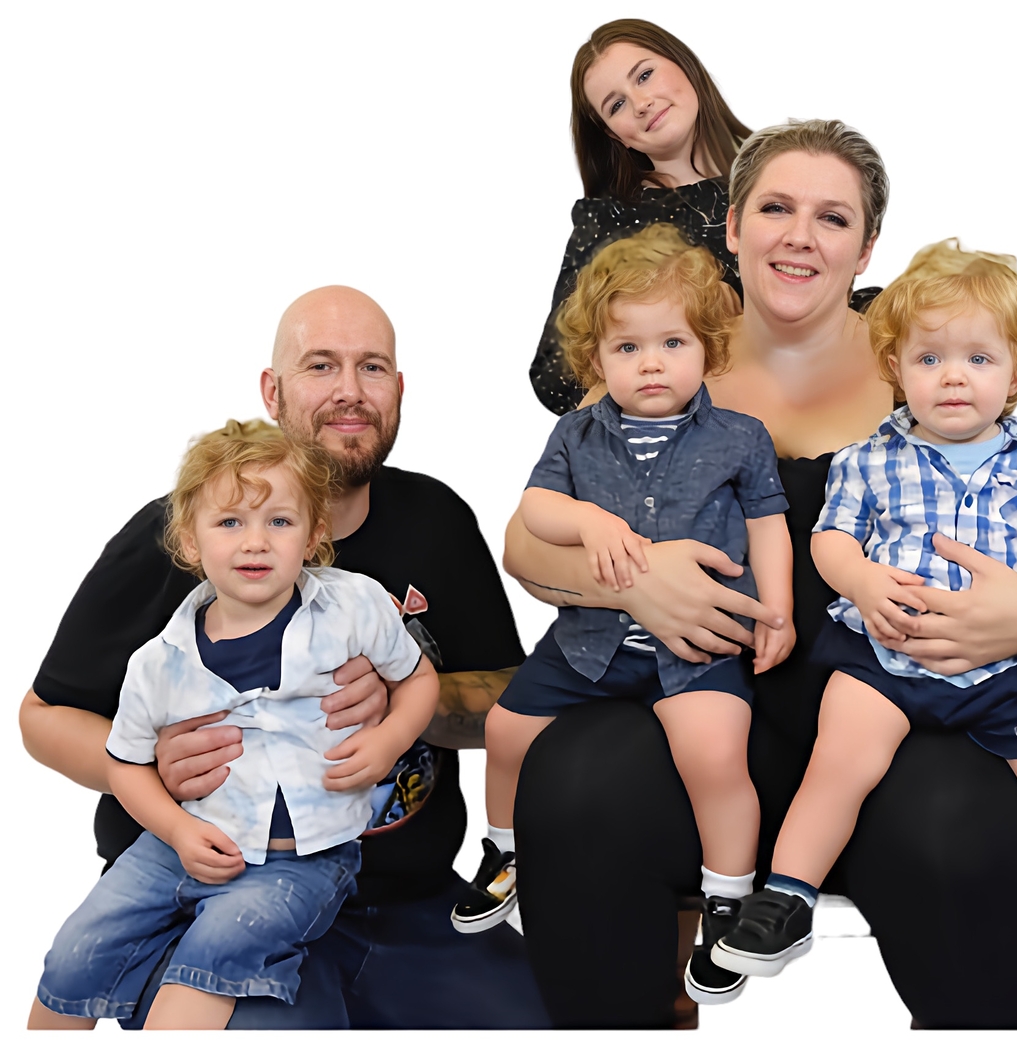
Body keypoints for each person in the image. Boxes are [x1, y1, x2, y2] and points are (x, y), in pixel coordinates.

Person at [507, 121, 1017, 1028]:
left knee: (962, 826)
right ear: (733, 226)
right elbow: (527, 543)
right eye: (776, 208)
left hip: (890, 723)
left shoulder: (923, 362)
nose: (800, 236)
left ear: (866, 247)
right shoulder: (659, 350)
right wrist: (631, 581)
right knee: (573, 782)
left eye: (833, 217)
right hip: (694, 712)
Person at [19, 286, 550, 1029]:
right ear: (272, 391)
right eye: (320, 366)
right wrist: (146, 771)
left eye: (371, 367)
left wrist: (403, 705)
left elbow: (515, 695)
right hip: (213, 885)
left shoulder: (437, 520)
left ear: (399, 389)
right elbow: (42, 716)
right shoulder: (186, 537)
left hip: (406, 901)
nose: (349, 390)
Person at [712, 241, 1017, 994]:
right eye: (930, 359)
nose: (953, 376)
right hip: (885, 656)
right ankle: (788, 897)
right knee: (838, 761)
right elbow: (831, 538)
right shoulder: (869, 459)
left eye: (979, 358)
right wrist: (862, 579)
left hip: (1006, 671)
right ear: (896, 370)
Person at [451, 225, 793, 1006]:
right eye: (627, 347)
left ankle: (728, 895)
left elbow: (769, 521)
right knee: (505, 730)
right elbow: (537, 510)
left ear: (707, 348)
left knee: (715, 753)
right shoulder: (575, 433)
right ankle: (503, 851)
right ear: (595, 357)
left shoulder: (740, 438)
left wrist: (776, 609)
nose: (651, 363)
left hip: (698, 647)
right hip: (590, 642)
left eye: (673, 342)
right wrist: (589, 522)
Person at [32, 423, 441, 1029]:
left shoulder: (354, 608)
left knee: (217, 950)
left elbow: (418, 679)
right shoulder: (159, 662)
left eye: (279, 521)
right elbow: (126, 764)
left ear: (314, 534)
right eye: (229, 522)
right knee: (75, 953)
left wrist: (389, 739)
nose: (256, 542)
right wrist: (176, 830)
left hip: (298, 861)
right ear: (190, 541)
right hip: (172, 848)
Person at [530, 18, 751, 416]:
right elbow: (554, 378)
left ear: (684, 62)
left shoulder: (784, 169)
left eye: (645, 75)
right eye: (616, 105)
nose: (641, 103)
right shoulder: (610, 221)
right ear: (614, 134)